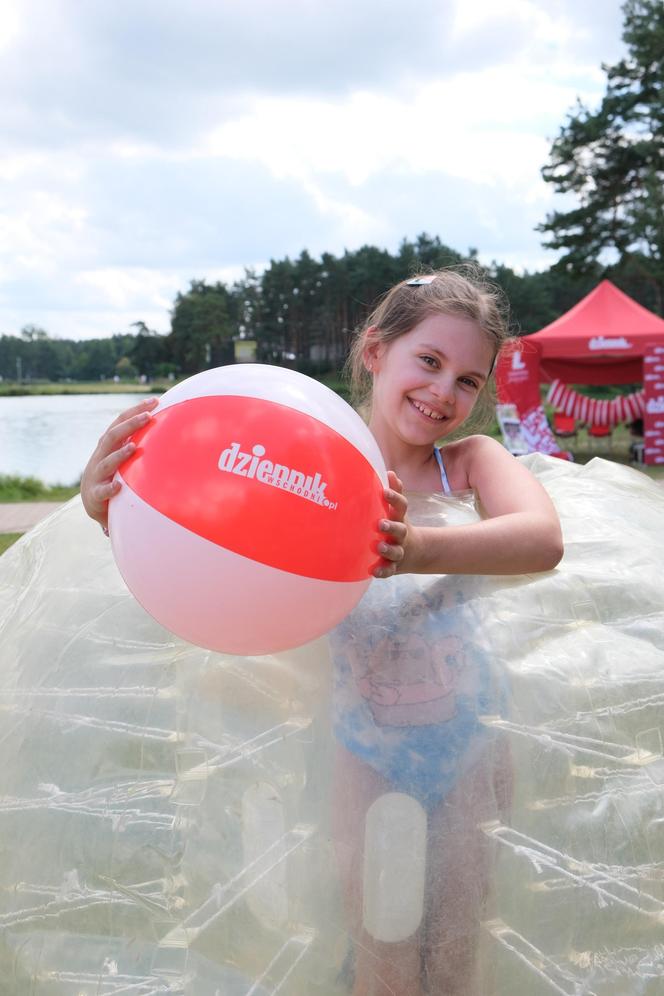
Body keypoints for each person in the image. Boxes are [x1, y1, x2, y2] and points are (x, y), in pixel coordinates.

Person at [80, 266, 563, 996]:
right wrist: (109, 506)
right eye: (428, 361)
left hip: (470, 744)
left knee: (458, 946)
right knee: (383, 943)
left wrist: (413, 548)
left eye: (469, 380)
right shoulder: (314, 465)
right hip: (361, 749)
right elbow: (213, 544)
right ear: (375, 352)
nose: (444, 392)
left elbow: (541, 538)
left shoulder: (467, 464)